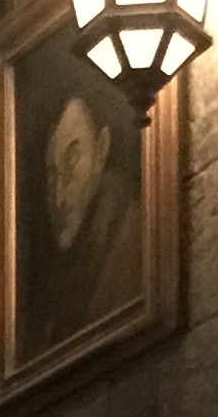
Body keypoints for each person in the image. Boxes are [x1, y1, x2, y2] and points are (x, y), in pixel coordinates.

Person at [21, 78, 139, 356]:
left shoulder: (132, 239)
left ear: (102, 148)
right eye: (52, 173)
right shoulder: (56, 273)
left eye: (72, 161)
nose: (59, 197)